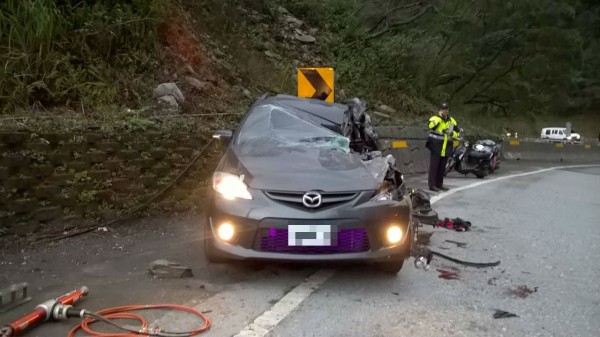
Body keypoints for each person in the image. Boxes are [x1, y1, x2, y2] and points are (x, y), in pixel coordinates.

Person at [426, 103, 459, 192]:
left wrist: (453, 134)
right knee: (434, 166)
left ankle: (439, 184)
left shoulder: (452, 120)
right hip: (436, 146)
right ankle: (432, 185)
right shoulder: (434, 118)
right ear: (439, 110)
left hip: (447, 146)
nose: (445, 111)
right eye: (443, 109)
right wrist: (440, 119)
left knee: (442, 167)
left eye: (446, 109)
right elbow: (431, 126)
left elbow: (457, 132)